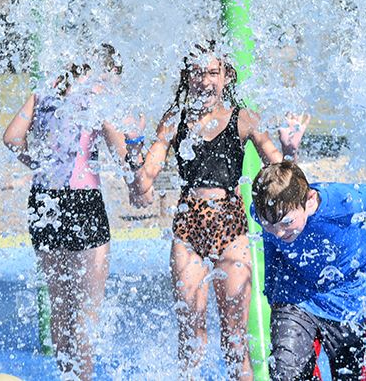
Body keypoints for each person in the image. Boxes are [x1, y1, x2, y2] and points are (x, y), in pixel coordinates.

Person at [128, 40, 307, 378]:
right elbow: (144, 183)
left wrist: (290, 149)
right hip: (188, 229)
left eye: (213, 72)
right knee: (191, 336)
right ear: (187, 77)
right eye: (197, 72)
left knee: (235, 339)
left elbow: (282, 173)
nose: (205, 80)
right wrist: (134, 152)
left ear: (226, 77)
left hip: (231, 229)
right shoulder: (173, 121)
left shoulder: (243, 120)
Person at [3, 44, 133, 379]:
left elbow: (12, 137)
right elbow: (122, 153)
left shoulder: (42, 93)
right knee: (86, 308)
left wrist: (37, 164)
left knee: (59, 303)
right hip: (83, 202)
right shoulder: (95, 96)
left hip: (44, 202)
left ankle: (66, 376)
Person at [251, 161, 366, 381]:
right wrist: (272, 290)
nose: (278, 232)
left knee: (350, 376)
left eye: (287, 223)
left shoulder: (343, 202)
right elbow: (271, 243)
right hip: (295, 293)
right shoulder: (267, 211)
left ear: (308, 202)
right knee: (285, 372)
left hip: (348, 296)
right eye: (269, 225)